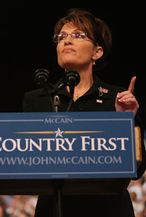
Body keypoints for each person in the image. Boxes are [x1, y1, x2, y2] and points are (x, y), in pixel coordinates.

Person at [22, 8, 146, 217]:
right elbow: (28, 161)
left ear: (97, 52)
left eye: (78, 35)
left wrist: (123, 119)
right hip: (54, 208)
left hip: (109, 209)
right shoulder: (37, 99)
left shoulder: (117, 99)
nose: (66, 41)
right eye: (61, 37)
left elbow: (137, 169)